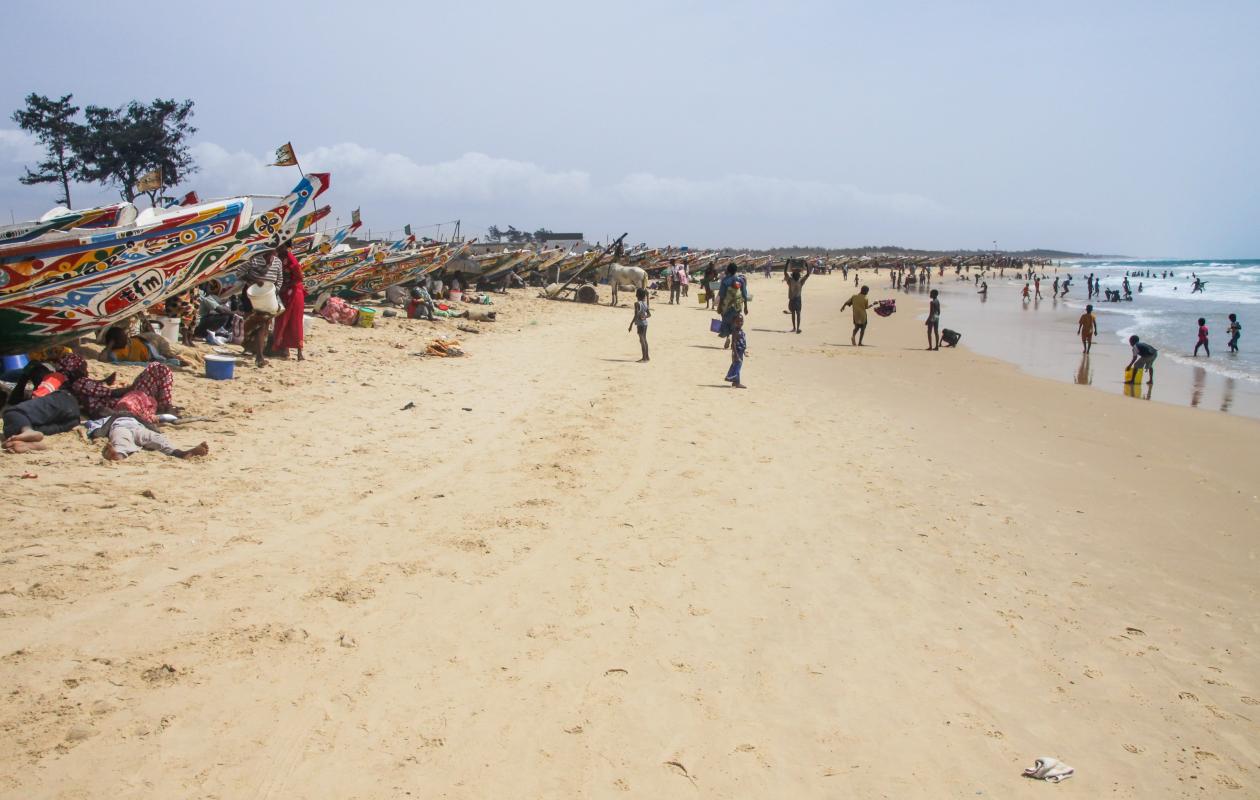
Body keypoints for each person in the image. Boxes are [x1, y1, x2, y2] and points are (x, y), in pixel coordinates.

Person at [91, 414, 208, 461]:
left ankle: (181, 454)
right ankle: (117, 455)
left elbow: (153, 425)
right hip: (120, 428)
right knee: (121, 440)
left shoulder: (134, 417)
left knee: (156, 438)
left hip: (138, 428)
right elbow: (95, 431)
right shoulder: (106, 419)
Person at [240, 248, 285, 368]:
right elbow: (239, 273)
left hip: (268, 297)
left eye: (275, 253)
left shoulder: (277, 262)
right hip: (251, 295)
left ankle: (259, 355)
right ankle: (250, 348)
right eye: (271, 252)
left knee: (263, 324)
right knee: (250, 323)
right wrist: (255, 280)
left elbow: (280, 279)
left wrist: (275, 291)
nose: (273, 255)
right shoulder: (254, 259)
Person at [3, 390, 80, 454]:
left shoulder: (60, 376)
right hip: (74, 420)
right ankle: (28, 443)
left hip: (65, 399)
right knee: (13, 432)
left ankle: (27, 431)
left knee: (13, 412)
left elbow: (41, 390)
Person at [269, 240, 307, 361]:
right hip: (283, 292)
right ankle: (285, 350)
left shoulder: (291, 259)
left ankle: (300, 352)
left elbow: (299, 277)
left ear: (285, 246)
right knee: (281, 320)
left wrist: (287, 285)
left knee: (295, 321)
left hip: (294, 293)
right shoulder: (277, 257)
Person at [717, 263, 749, 348]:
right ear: (736, 270)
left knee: (726, 321)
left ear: (728, 270)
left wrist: (719, 306)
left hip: (726, 306)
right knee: (735, 323)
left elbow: (722, 294)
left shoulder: (725, 280)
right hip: (738, 306)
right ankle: (733, 342)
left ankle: (727, 337)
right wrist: (746, 307)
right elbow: (745, 294)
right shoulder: (741, 280)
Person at [783, 259, 811, 334]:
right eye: (796, 274)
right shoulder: (791, 281)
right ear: (794, 275)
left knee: (797, 313)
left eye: (797, 274)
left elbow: (808, 274)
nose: (797, 275)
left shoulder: (800, 281)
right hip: (793, 299)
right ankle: (794, 328)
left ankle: (797, 328)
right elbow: (785, 273)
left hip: (797, 299)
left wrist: (806, 264)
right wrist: (787, 263)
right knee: (793, 313)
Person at [627, 287, 650, 362]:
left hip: (640, 324)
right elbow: (649, 314)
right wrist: (644, 317)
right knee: (645, 340)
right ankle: (647, 356)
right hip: (645, 324)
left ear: (637, 295)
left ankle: (644, 358)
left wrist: (631, 324)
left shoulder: (637, 304)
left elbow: (636, 315)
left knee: (642, 340)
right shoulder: (645, 304)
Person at [726, 312, 747, 388]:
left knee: (738, 366)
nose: (740, 323)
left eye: (741, 321)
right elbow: (733, 344)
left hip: (740, 351)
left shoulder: (741, 331)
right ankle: (736, 382)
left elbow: (742, 341)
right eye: (738, 321)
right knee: (737, 366)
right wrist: (736, 354)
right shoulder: (735, 332)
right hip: (737, 352)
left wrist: (744, 351)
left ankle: (736, 382)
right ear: (734, 322)